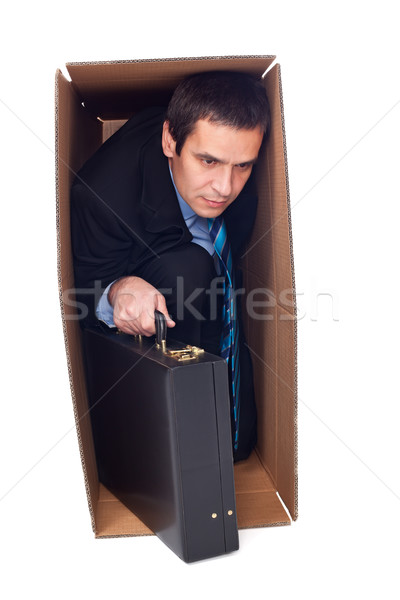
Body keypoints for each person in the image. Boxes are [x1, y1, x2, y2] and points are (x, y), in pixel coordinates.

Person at [70, 70, 270, 461]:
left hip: (215, 312)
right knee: (189, 273)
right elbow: (80, 293)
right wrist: (119, 289)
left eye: (242, 166)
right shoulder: (102, 197)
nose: (224, 187)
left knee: (241, 445)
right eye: (208, 161)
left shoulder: (234, 173)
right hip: (153, 309)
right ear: (170, 141)